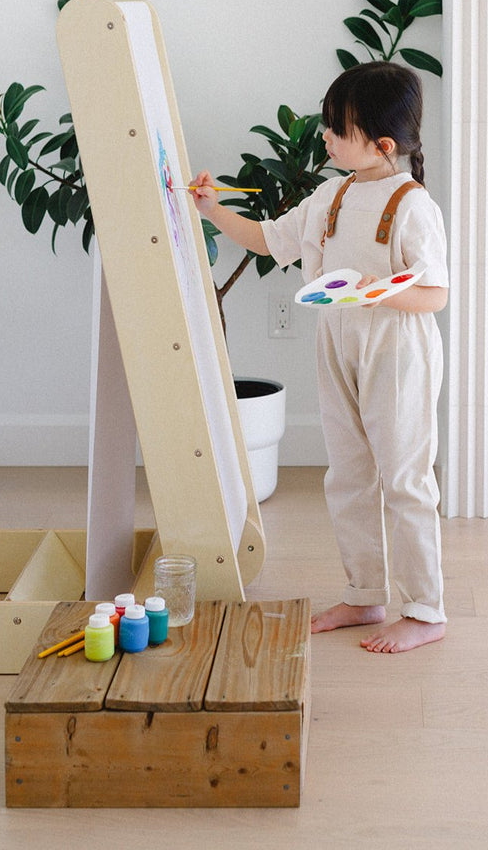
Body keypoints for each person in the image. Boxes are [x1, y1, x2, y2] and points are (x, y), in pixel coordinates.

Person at [190, 61, 448, 653]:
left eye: (337, 127)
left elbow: (436, 294)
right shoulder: (331, 194)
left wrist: (379, 291)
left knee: (405, 478)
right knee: (349, 474)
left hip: (396, 349)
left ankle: (426, 608)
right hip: (336, 340)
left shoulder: (412, 206)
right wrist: (211, 210)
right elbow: (270, 240)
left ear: (381, 144)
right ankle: (365, 593)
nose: (325, 136)